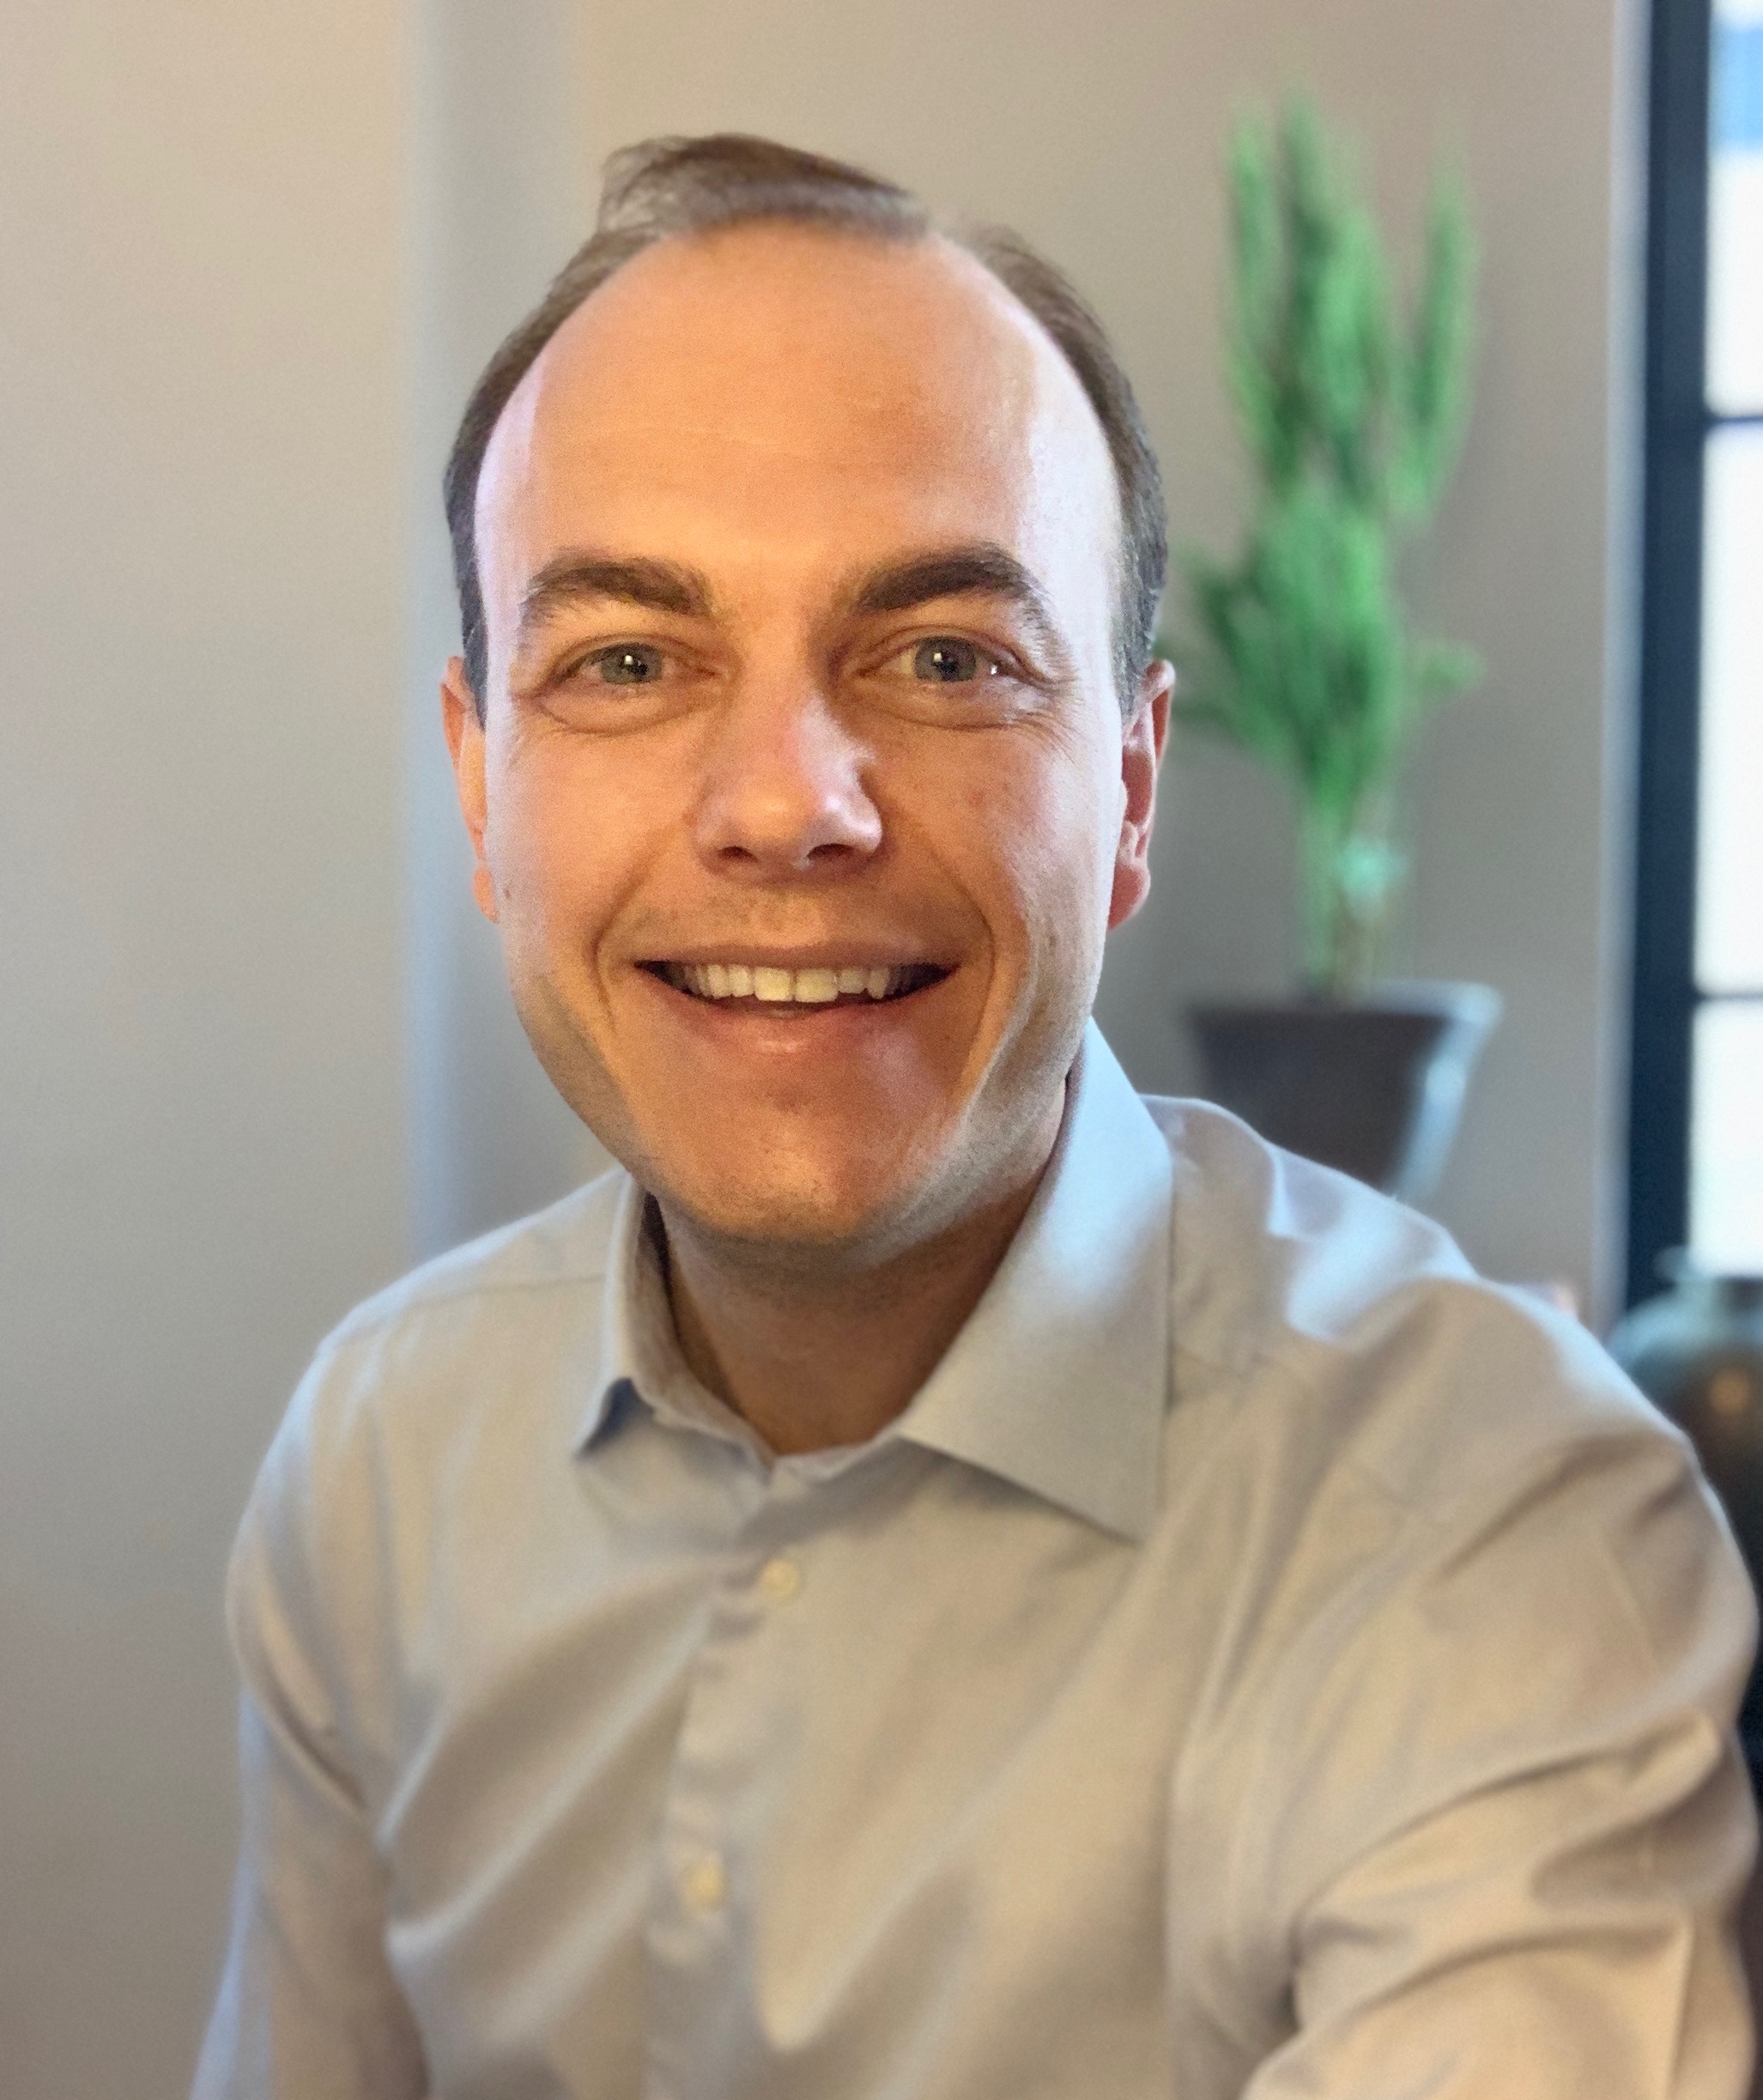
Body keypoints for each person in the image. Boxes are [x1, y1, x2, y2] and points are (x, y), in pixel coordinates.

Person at [193, 134, 1758, 2100]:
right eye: (626, 661)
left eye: (945, 657)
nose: (788, 803)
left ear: (1131, 787)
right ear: (480, 781)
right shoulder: (380, 1452)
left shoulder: (1491, 1530)